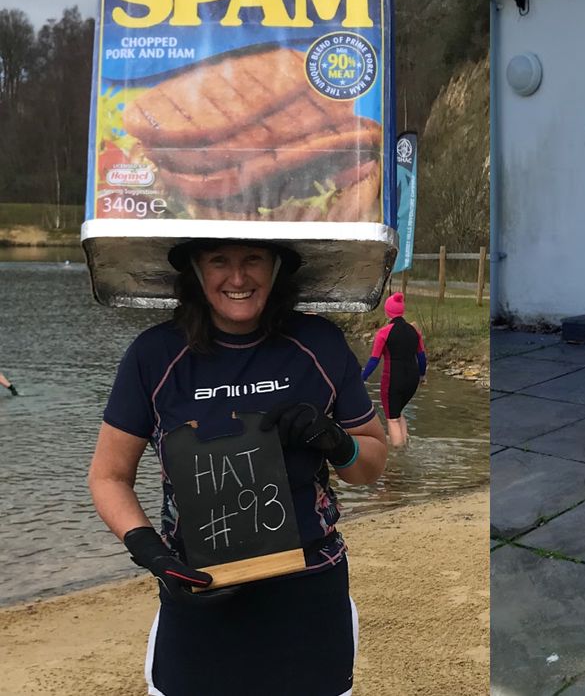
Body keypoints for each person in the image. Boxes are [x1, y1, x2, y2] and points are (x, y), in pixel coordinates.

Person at [88, 239, 387, 696]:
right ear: (195, 269)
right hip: (201, 594)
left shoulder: (319, 345)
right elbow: (109, 476)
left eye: (253, 260)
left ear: (277, 266)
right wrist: (151, 551)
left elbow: (371, 464)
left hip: (308, 596)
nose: (238, 278)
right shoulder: (155, 355)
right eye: (219, 261)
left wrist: (336, 440)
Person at [360, 292, 427, 447]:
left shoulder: (384, 333)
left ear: (387, 312)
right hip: (412, 380)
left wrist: (361, 378)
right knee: (398, 412)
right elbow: (422, 358)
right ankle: (404, 445)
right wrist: (422, 376)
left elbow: (374, 360)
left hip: (393, 380)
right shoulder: (414, 331)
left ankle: (398, 454)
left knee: (392, 419)